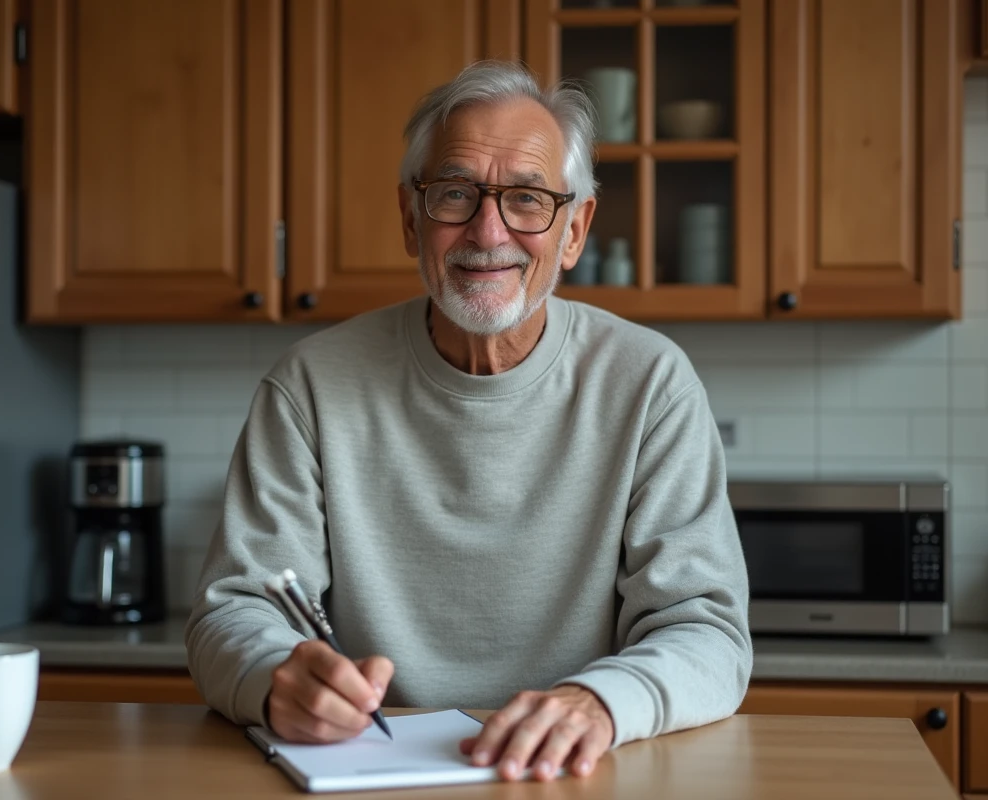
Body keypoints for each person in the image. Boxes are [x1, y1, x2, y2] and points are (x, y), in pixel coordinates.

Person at [185, 59, 752, 782]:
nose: (489, 230)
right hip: (369, 775)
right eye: (455, 193)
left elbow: (707, 634)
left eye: (526, 198)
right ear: (409, 217)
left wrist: (597, 703)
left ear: (574, 230)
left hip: (578, 776)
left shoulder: (651, 383)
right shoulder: (309, 385)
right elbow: (232, 612)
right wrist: (274, 678)